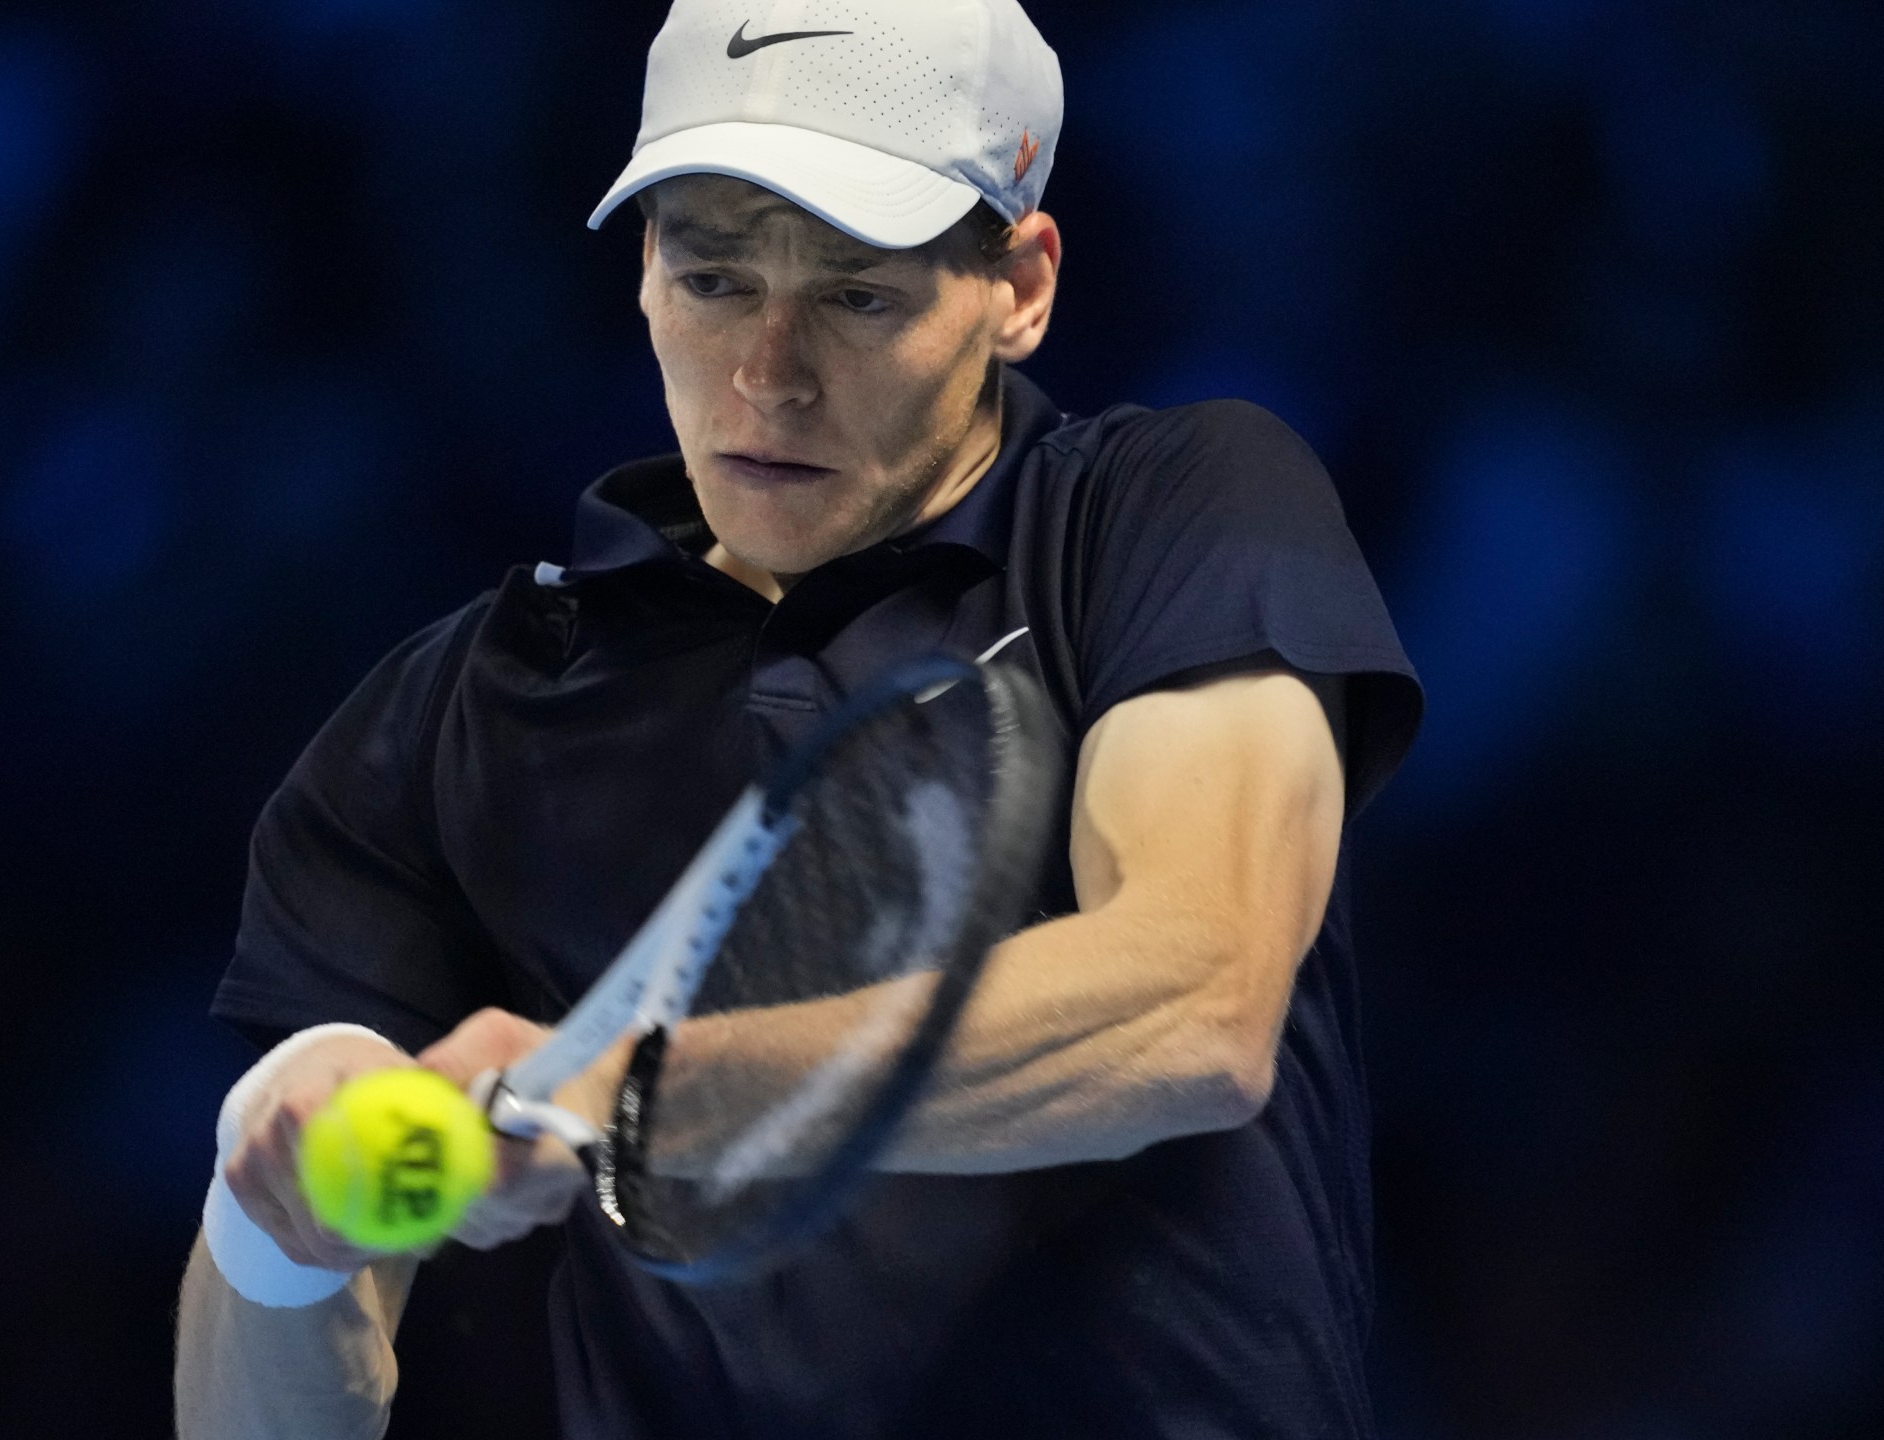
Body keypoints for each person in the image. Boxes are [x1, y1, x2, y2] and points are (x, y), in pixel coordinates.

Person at [176, 0, 1422, 1435]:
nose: (769, 372)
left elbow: (1195, 1005)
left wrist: (629, 1097)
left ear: (1020, 283)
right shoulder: (447, 717)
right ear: (643, 272)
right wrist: (279, 1216)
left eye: (858, 295)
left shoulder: (1169, 509)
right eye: (713, 281)